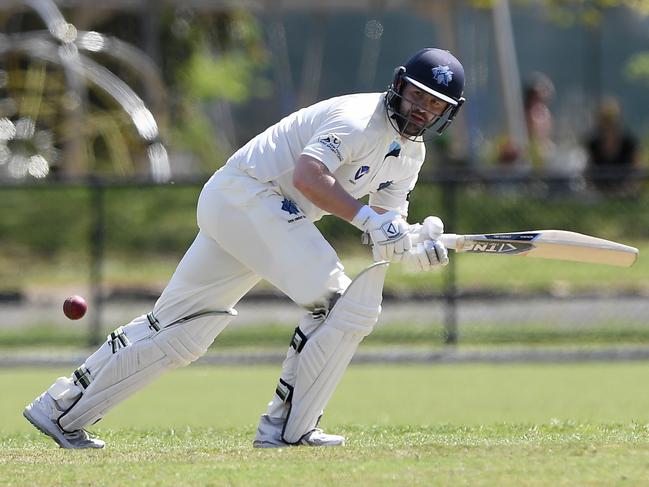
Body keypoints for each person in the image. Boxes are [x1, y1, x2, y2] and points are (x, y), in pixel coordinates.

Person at [23, 47, 466, 449]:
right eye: (417, 95)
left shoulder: (411, 156)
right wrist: (374, 222)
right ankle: (288, 430)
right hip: (250, 195)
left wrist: (412, 246)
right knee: (341, 303)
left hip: (250, 210)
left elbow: (386, 231)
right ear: (400, 84)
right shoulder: (357, 119)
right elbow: (309, 178)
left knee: (180, 331)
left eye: (435, 104)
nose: (422, 108)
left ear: (447, 113)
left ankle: (60, 410)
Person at [585, 96, 639, 193]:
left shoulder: (628, 143)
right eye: (605, 120)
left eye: (611, 120)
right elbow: (589, 171)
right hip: (599, 193)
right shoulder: (593, 144)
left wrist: (628, 187)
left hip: (625, 193)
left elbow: (635, 171)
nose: (608, 125)